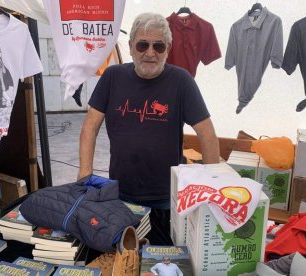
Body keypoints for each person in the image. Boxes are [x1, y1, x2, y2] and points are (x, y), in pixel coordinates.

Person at [78, 12, 219, 245]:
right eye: (143, 45)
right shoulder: (113, 76)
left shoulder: (181, 81)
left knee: (162, 261)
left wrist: (213, 188)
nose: (150, 53)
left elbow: (207, 133)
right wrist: (84, 174)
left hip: (165, 199)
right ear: (131, 46)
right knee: (124, 260)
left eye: (158, 46)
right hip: (120, 195)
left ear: (168, 48)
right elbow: (90, 126)